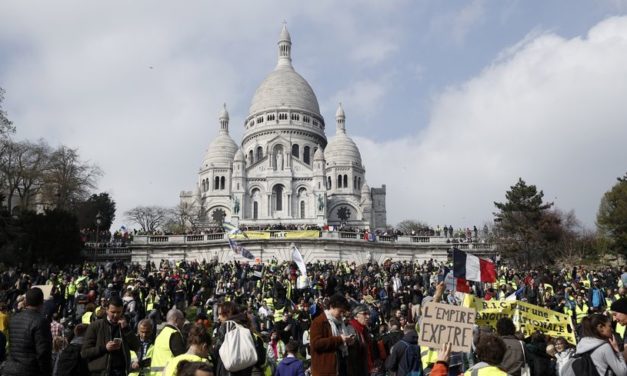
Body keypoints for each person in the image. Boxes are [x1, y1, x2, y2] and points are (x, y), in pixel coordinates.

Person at [81, 295, 140, 376]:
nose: (115, 315)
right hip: (100, 372)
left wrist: (126, 329)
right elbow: (84, 352)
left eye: (119, 312)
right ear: (107, 310)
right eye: (113, 312)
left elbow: (136, 346)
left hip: (120, 371)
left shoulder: (124, 326)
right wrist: (105, 348)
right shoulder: (96, 326)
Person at [3, 287, 53, 376]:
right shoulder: (41, 321)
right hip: (29, 370)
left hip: (10, 368)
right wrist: (47, 372)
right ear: (42, 302)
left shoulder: (14, 318)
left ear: (26, 301)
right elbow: (43, 352)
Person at [310, 294, 354, 376]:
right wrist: (340, 339)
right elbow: (316, 344)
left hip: (340, 368)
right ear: (331, 306)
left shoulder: (341, 324)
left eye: (343, 312)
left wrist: (348, 341)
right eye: (340, 311)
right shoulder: (319, 322)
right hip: (325, 370)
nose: (342, 315)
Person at [151, 308, 186, 374]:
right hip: (169, 373)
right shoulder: (174, 333)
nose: (183, 322)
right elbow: (181, 357)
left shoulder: (161, 334)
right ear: (176, 320)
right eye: (182, 319)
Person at [346, 304, 374, 376]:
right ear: (355, 316)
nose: (368, 316)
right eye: (364, 314)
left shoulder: (364, 329)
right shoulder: (351, 329)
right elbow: (352, 357)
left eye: (368, 313)